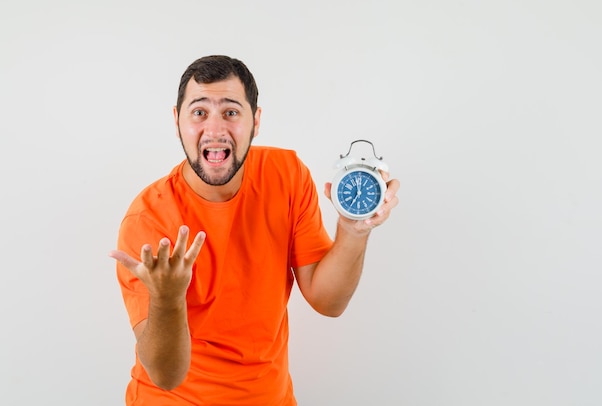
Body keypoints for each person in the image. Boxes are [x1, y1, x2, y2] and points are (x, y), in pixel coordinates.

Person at [110, 55, 400, 405]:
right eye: (199, 112)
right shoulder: (148, 220)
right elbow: (166, 376)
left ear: (255, 121)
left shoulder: (287, 175)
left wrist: (354, 231)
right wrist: (168, 298)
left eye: (231, 112)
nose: (215, 130)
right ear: (177, 121)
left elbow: (328, 301)